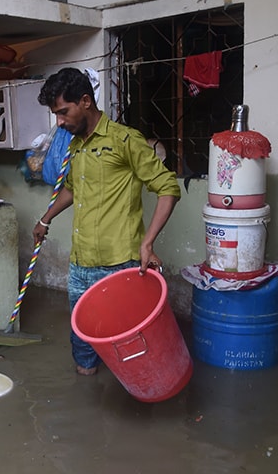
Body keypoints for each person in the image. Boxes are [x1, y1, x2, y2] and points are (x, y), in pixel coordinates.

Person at [33, 68, 181, 376]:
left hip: (118, 265)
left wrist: (148, 242)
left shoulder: (126, 140)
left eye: (63, 112)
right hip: (80, 264)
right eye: (55, 114)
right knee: (83, 348)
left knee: (127, 347)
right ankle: (87, 401)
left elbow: (167, 187)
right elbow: (72, 189)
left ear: (85, 101)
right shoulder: (75, 146)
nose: (59, 122)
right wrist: (45, 219)